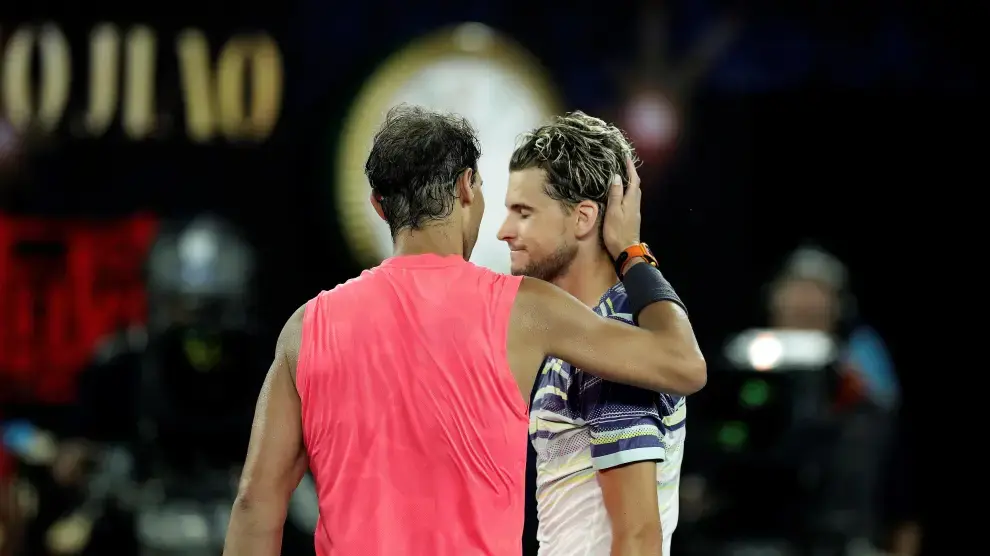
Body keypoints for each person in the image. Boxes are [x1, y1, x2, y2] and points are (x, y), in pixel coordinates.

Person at [222, 105, 706, 556]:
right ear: (467, 188)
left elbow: (254, 503)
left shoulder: (304, 329)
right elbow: (683, 365)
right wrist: (631, 252)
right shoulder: (527, 311)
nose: (503, 227)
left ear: (379, 206)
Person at [497, 111, 685, 556]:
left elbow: (638, 536)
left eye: (523, 213)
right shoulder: (579, 336)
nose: (504, 232)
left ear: (582, 218)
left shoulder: (615, 338)